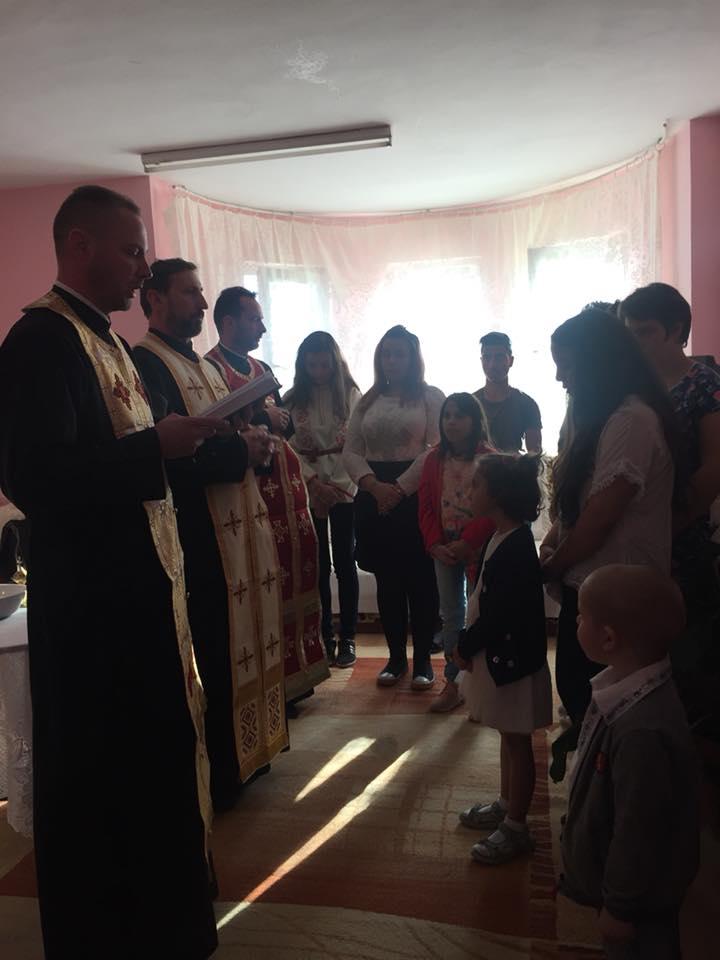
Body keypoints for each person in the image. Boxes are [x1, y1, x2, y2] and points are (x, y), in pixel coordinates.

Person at [0, 187, 220, 958]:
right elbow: (35, 478)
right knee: (102, 785)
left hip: (136, 603)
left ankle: (162, 925)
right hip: (95, 618)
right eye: (132, 252)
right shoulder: (40, 341)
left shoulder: (105, 339)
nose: (143, 268)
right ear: (80, 245)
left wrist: (171, 447)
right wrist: (155, 447)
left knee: (148, 775)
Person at [134, 258, 287, 813]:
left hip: (239, 530)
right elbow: (168, 460)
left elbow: (228, 434)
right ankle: (222, 770)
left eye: (201, 293)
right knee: (216, 649)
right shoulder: (147, 364)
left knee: (244, 638)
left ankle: (253, 751)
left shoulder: (204, 366)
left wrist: (256, 444)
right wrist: (238, 449)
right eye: (190, 292)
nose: (202, 303)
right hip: (199, 537)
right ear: (155, 298)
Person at [540, 307, 679, 780]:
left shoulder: (631, 420)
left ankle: (604, 804)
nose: (560, 377)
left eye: (567, 365)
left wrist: (552, 564)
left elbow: (600, 518)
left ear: (596, 362)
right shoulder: (600, 417)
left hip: (619, 589)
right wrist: (553, 543)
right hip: (591, 582)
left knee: (606, 709)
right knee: (582, 695)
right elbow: (575, 505)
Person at [560, 564, 700, 960]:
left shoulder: (642, 732)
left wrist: (620, 907)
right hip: (625, 887)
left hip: (639, 902)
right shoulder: (627, 689)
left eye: (582, 616)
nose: (575, 621)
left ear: (608, 638)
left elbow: (638, 827)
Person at [206, 287, 329, 706]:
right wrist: (263, 416)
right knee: (268, 583)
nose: (262, 327)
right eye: (254, 319)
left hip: (288, 491)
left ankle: (300, 672)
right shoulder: (211, 368)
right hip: (252, 492)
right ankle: (274, 681)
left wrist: (279, 419)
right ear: (229, 322)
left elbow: (283, 423)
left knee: (299, 575)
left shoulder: (260, 368)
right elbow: (216, 427)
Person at [454, 454, 553, 864]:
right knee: (507, 735)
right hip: (501, 658)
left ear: (497, 495)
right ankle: (506, 802)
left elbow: (499, 615)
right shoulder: (501, 536)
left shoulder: (516, 547)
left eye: (475, 485)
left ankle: (516, 827)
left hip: (513, 663)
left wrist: (465, 645)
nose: (468, 492)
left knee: (517, 740)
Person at [343, 325, 445, 688]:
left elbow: (436, 448)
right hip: (374, 496)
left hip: (416, 495)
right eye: (386, 353)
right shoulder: (366, 401)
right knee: (388, 581)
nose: (392, 360)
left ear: (413, 358)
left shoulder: (430, 397)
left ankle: (423, 662)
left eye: (399, 353)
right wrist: (373, 486)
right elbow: (351, 450)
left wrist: (400, 489)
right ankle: (396, 658)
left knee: (421, 581)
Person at [621, 283, 720, 620]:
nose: (636, 342)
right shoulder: (631, 387)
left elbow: (714, 468)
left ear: (676, 330)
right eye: (631, 332)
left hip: (682, 534)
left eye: (645, 332)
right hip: (631, 528)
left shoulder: (705, 384)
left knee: (681, 634)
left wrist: (668, 526)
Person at [284, 331, 362, 668]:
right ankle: (323, 635)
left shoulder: (352, 396)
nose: (318, 371)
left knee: (345, 562)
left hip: (344, 484)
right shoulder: (291, 400)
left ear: (335, 363)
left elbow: (356, 445)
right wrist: (314, 483)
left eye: (324, 364)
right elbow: (287, 448)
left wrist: (336, 487)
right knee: (316, 564)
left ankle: (348, 637)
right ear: (303, 365)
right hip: (307, 484)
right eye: (311, 365)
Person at [418, 393, 495, 712]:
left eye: (460, 416)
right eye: (447, 415)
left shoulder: (489, 459)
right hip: (444, 549)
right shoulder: (433, 459)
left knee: (480, 615)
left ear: (475, 421)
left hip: (478, 548)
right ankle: (453, 682)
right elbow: (425, 506)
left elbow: (494, 511)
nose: (451, 421)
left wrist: (468, 542)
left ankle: (480, 685)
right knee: (451, 615)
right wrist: (435, 544)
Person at [474, 332, 542, 452]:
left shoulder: (526, 404)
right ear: (481, 360)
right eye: (487, 357)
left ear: (511, 360)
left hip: (513, 465)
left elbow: (534, 454)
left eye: (499, 357)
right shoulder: (471, 403)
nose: (492, 364)